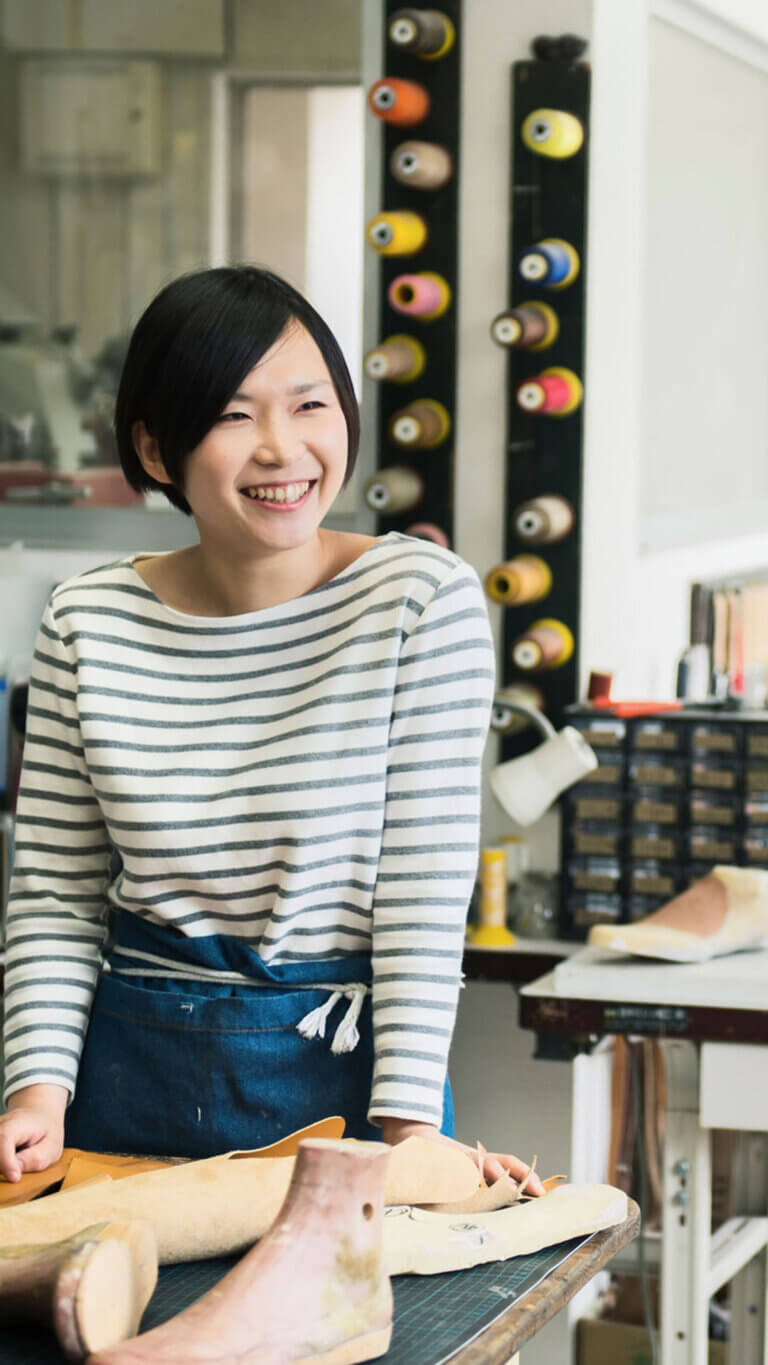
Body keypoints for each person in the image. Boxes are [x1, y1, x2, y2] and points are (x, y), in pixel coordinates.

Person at [0, 265, 543, 1194]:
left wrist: (411, 1128)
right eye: (232, 415)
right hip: (126, 1089)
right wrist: (35, 1097)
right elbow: (55, 895)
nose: (281, 449)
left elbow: (421, 887)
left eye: (309, 404)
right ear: (157, 449)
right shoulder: (85, 620)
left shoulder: (419, 601)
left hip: (349, 1090)